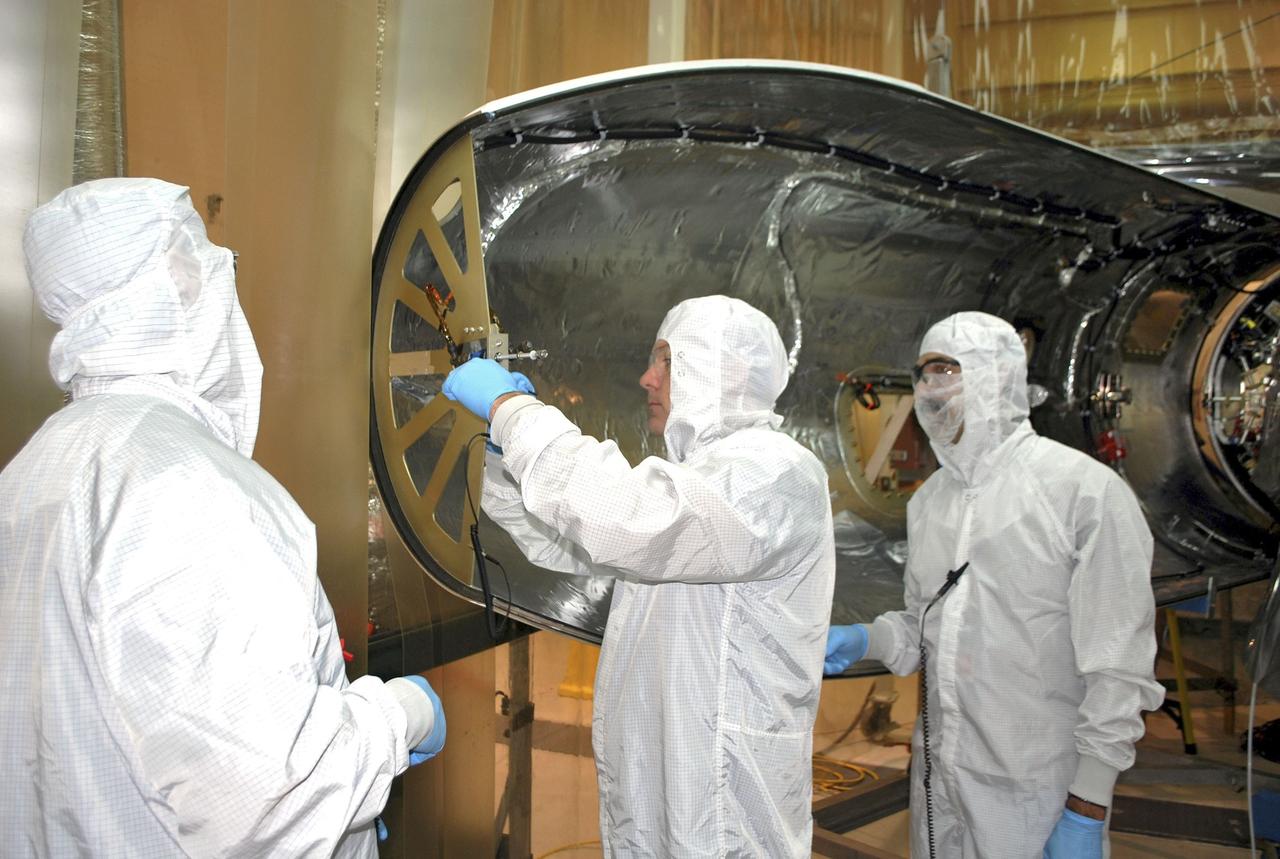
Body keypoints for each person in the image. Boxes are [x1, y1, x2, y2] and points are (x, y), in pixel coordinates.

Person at [0, 178, 445, 857]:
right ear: (178, 279)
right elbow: (268, 800)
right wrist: (397, 717)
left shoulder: (32, 472)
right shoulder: (185, 486)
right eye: (210, 261)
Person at [444, 295, 835, 857]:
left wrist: (514, 408)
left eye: (668, 361)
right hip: (660, 779)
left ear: (727, 371)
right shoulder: (696, 478)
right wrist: (508, 455)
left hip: (724, 801)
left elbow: (628, 521)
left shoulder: (775, 470)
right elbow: (571, 543)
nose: (647, 378)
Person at [824, 311, 1164, 859]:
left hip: (1038, 792)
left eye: (946, 371)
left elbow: (1118, 668)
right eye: (922, 375)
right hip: (941, 785)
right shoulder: (931, 501)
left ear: (994, 377)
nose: (930, 390)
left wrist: (1088, 804)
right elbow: (928, 627)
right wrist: (866, 640)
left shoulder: (1082, 494)